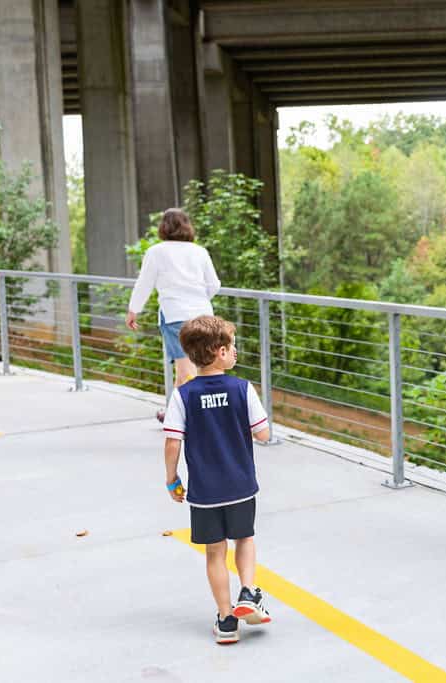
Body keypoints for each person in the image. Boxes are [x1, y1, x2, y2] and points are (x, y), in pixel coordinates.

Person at [162, 315, 272, 644]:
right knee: (245, 539)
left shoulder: (183, 395)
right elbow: (263, 434)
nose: (235, 351)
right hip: (240, 485)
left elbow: (172, 443)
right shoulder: (242, 389)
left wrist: (172, 479)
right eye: (232, 346)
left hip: (204, 491)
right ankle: (248, 592)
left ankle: (226, 621)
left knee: (214, 552)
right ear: (220, 352)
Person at [127, 208, 221, 422]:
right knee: (189, 370)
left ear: (163, 227)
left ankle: (201, 420)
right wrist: (198, 298)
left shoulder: (157, 252)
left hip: (175, 315)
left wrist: (133, 310)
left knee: (187, 370)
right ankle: (173, 414)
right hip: (204, 315)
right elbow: (214, 284)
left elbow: (144, 284)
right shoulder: (199, 251)